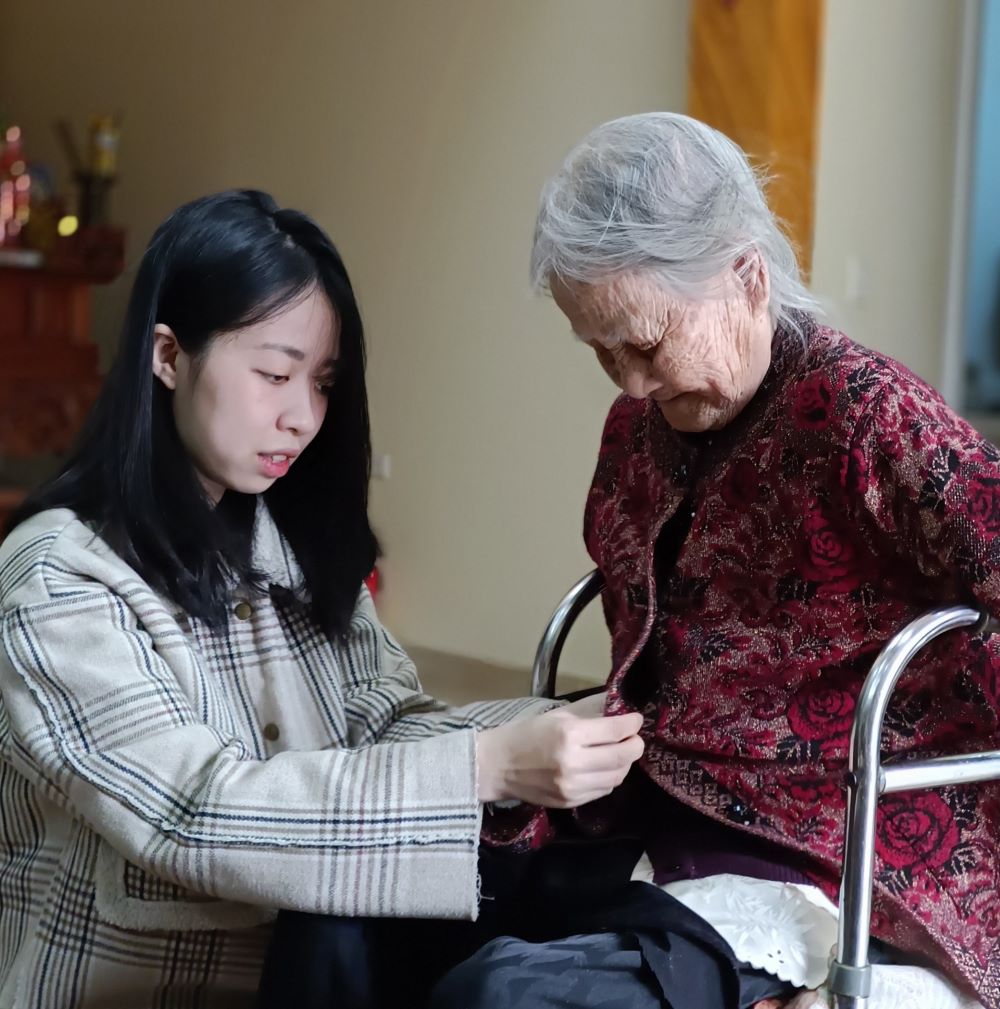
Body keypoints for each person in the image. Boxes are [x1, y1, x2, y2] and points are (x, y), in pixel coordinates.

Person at [0, 189, 647, 1009]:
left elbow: (385, 723)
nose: (303, 416)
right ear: (167, 356)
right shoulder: (59, 578)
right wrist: (487, 765)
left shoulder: (292, 549)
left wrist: (559, 722)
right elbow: (191, 811)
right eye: (274, 374)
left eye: (322, 383)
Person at [445, 113, 1000, 1009]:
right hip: (649, 796)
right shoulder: (636, 428)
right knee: (361, 919)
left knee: (501, 994)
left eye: (646, 343)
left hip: (813, 839)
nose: (631, 383)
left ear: (747, 274)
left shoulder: (866, 415)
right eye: (601, 351)